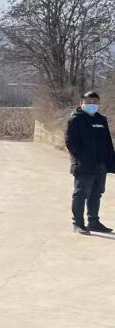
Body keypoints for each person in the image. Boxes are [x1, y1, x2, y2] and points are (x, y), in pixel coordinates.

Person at [65, 90, 114, 235]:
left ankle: (94, 222)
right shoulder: (75, 120)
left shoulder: (101, 120)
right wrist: (81, 159)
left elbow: (107, 142)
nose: (92, 105)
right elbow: (70, 142)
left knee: (96, 193)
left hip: (100, 164)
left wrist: (110, 160)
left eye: (95, 102)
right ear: (81, 103)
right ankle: (78, 224)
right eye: (88, 102)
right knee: (81, 194)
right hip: (84, 164)